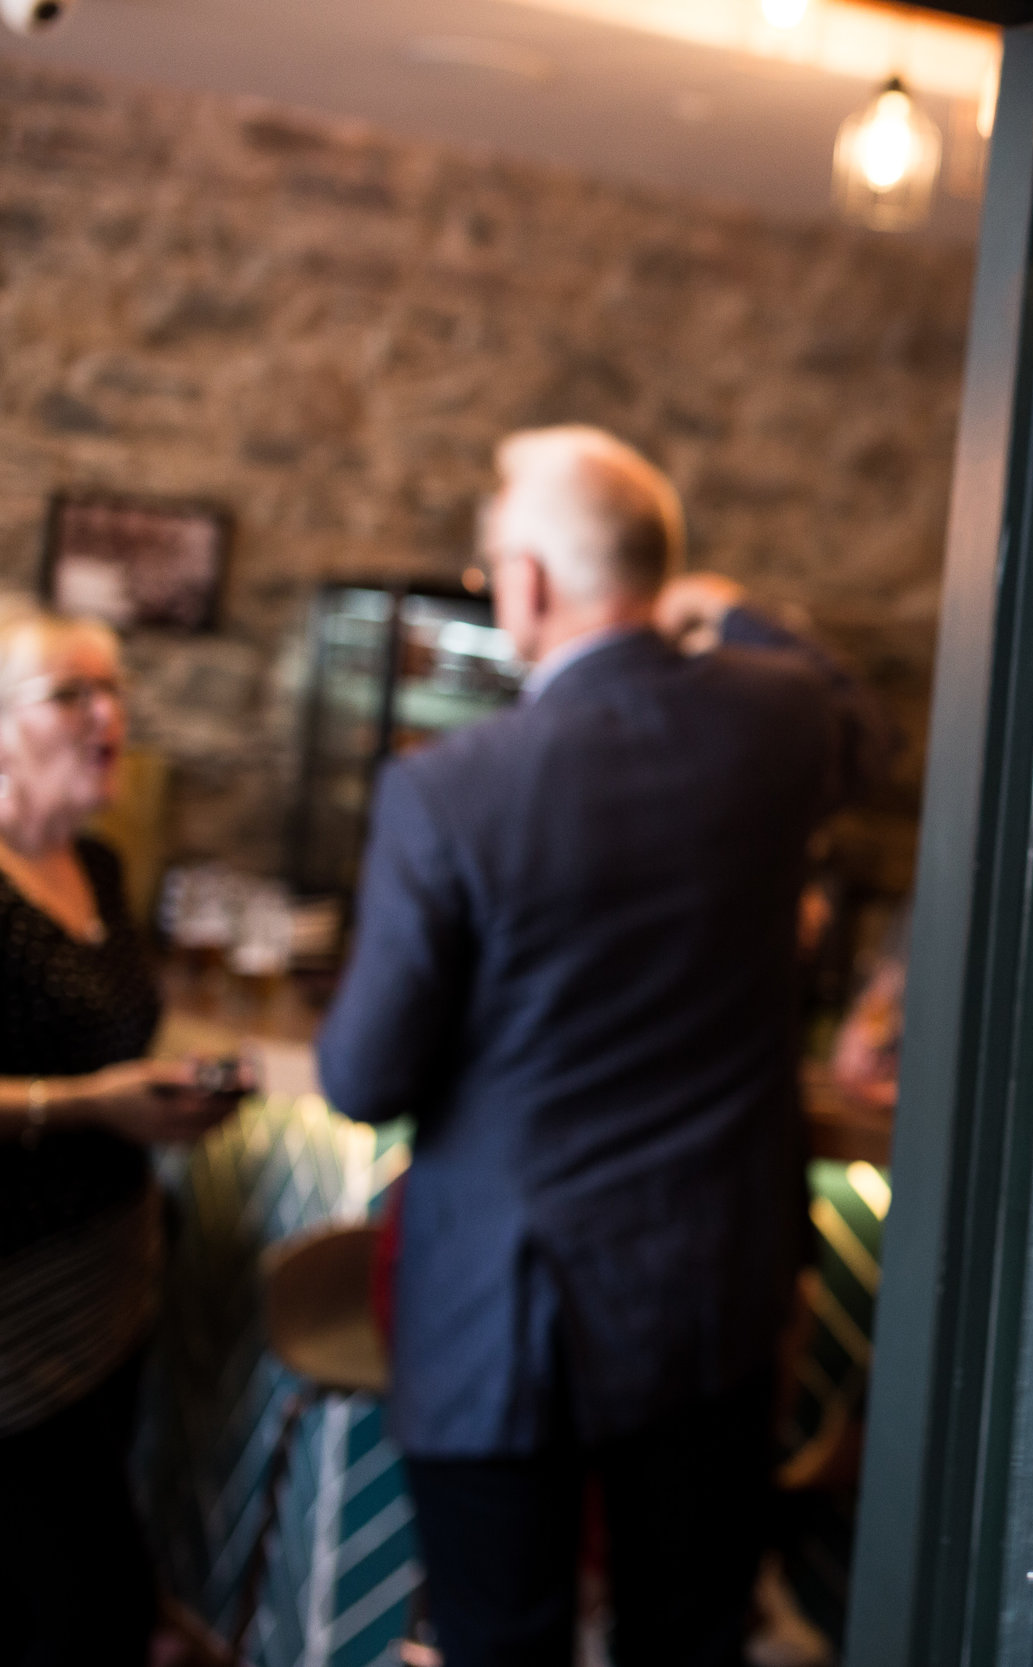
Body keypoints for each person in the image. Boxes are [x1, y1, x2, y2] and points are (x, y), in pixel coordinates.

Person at [317, 427, 854, 1666]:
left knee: (504, 1639)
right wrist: (726, 607)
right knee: (686, 1637)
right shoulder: (777, 725)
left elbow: (363, 1077)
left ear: (530, 583)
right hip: (711, 1299)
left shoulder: (451, 786)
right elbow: (852, 709)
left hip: (507, 1310)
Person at [0, 602, 240, 1665]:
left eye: (115, 690)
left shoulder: (96, 866)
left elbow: (111, 1035)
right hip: (12, 1312)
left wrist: (170, 1096)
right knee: (69, 1603)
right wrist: (91, 1102)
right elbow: (83, 1077)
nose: (110, 714)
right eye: (71, 693)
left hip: (109, 1287)